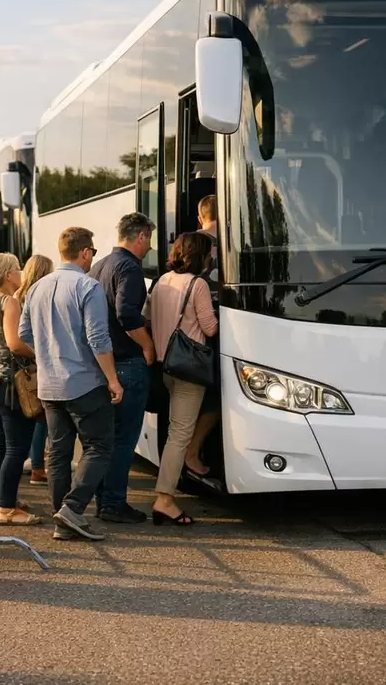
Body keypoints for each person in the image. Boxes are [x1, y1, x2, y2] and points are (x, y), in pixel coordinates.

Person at [19, 227, 123, 542]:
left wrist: (48, 353)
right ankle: (72, 508)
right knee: (99, 446)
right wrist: (112, 379)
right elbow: (98, 338)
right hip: (83, 382)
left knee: (58, 451)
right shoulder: (87, 286)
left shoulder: (36, 287)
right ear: (86, 252)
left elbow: (24, 333)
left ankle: (62, 520)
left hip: (48, 384)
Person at [88, 212, 156, 524]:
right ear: (140, 236)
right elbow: (127, 314)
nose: (150, 247)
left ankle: (103, 499)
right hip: (127, 363)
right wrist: (148, 345)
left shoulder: (99, 266)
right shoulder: (129, 268)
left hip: (103, 365)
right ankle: (114, 503)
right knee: (125, 439)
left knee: (106, 439)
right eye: (149, 240)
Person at [150, 232, 218, 525]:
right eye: (209, 253)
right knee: (180, 435)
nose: (211, 258)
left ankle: (164, 495)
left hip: (165, 365)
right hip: (189, 369)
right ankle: (164, 499)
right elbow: (210, 328)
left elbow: (148, 316)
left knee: (174, 431)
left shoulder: (162, 281)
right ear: (199, 256)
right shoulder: (197, 284)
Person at [0, 253, 43, 526]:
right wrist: (39, 355)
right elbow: (14, 343)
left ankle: (2, 500)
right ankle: (6, 509)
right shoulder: (9, 301)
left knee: (2, 446)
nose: (21, 273)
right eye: (18, 269)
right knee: (17, 448)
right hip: (11, 383)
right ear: (8, 275)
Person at [187, 194, 221, 475]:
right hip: (218, 329)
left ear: (200, 217)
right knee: (215, 396)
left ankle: (189, 450)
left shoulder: (188, 244)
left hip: (192, 333)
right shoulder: (234, 243)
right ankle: (192, 451)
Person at [15, 254, 55, 486]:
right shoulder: (38, 295)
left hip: (22, 366)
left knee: (32, 414)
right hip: (35, 362)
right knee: (41, 416)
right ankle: (38, 466)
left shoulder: (17, 295)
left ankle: (34, 461)